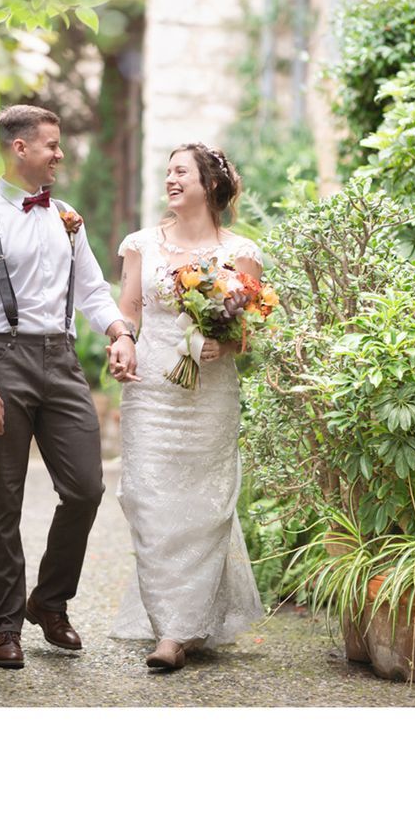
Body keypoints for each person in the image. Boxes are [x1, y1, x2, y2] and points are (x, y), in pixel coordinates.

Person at [0, 104, 140, 670]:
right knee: (3, 499)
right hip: (2, 361)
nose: (59, 154)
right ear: (19, 149)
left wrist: (119, 331)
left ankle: (48, 602)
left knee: (86, 488)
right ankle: (5, 626)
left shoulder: (67, 218)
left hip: (60, 361)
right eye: (50, 145)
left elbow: (93, 289)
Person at [109, 144, 266, 673]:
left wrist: (229, 341)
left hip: (209, 397)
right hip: (151, 389)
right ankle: (170, 620)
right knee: (144, 499)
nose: (171, 179)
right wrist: (122, 343)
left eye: (181, 172)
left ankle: (178, 632)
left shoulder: (239, 251)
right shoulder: (141, 245)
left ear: (209, 184)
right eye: (168, 171)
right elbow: (129, 311)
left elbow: (250, 327)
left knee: (204, 508)